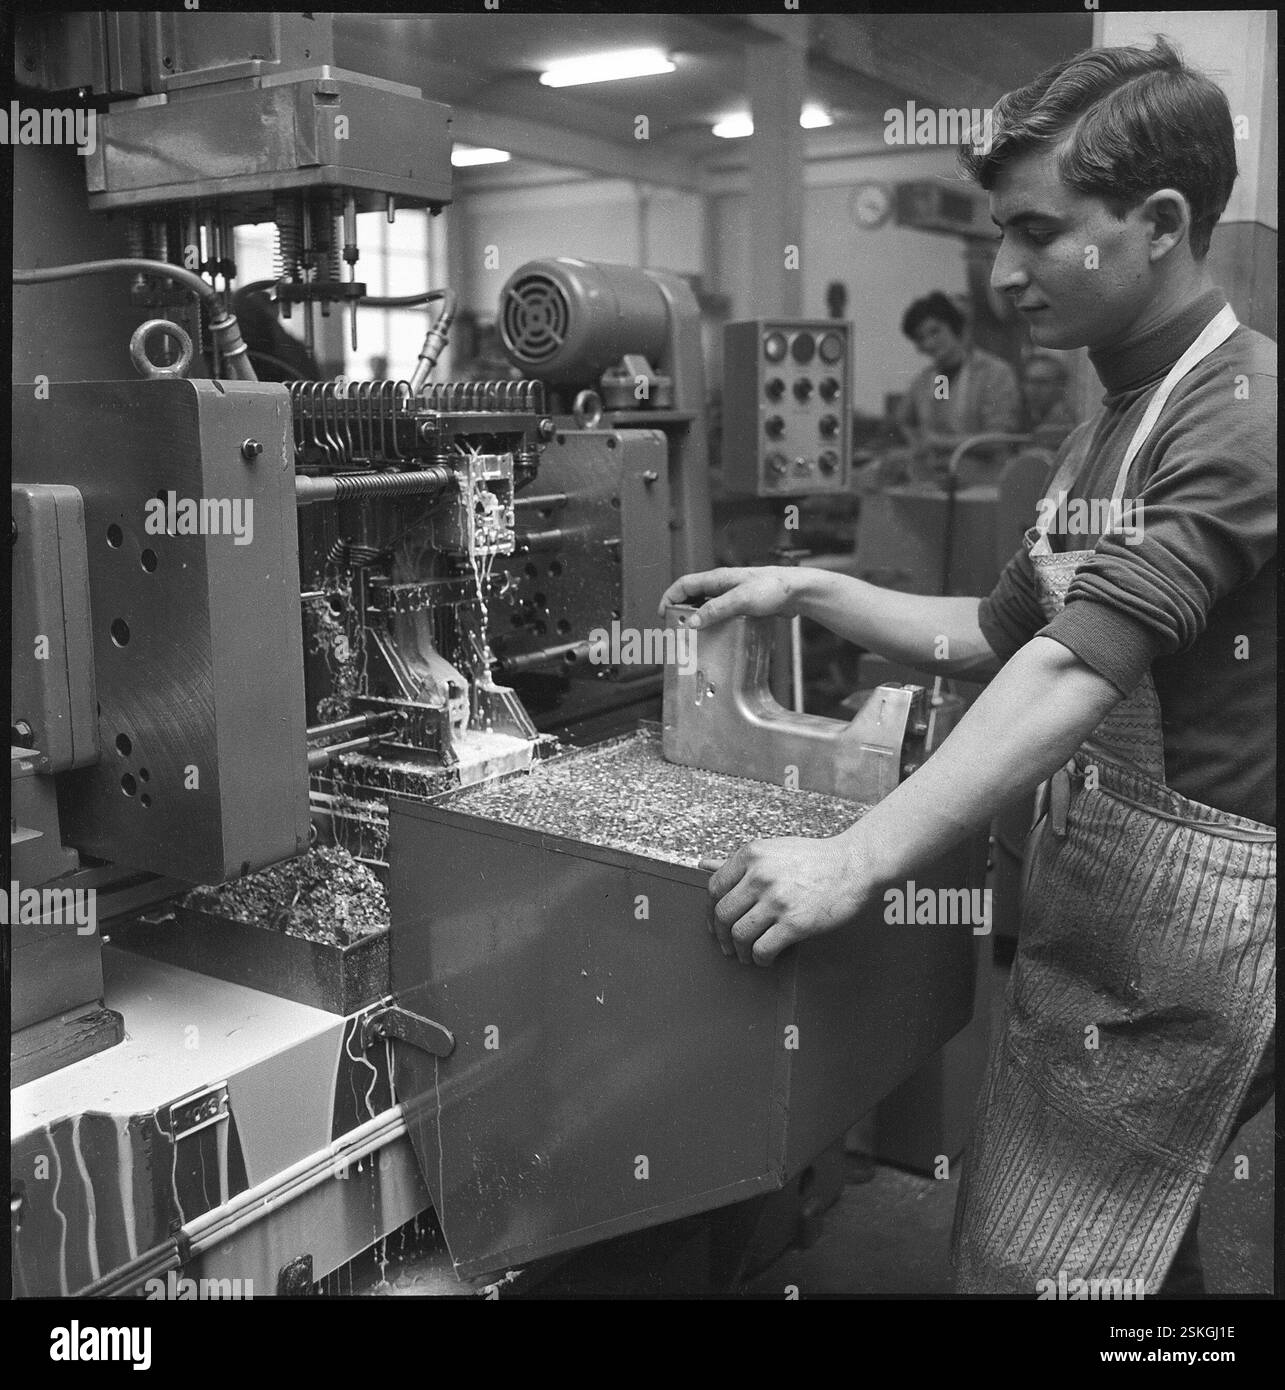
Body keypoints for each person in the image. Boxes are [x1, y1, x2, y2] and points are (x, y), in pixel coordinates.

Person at [659, 36, 1275, 1297]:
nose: (1004, 274)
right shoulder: (1107, 415)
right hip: (1101, 911)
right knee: (1137, 1251)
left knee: (1035, 1267)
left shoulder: (1243, 416)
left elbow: (1067, 671)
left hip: (1189, 939)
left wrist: (854, 854)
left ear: (1159, 223)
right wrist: (810, 588)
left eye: (1039, 234)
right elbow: (1001, 632)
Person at [890, 290, 1021, 486]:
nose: (929, 343)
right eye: (920, 338)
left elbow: (998, 440)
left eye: (935, 331)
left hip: (985, 486)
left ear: (955, 327)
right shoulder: (933, 378)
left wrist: (938, 442)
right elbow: (904, 420)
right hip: (938, 484)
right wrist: (916, 442)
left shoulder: (995, 372)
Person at [1020, 349, 1079, 445]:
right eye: (1028, 381)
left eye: (1041, 382)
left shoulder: (1064, 424)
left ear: (1060, 386)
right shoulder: (1029, 416)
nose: (1032, 389)